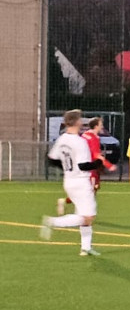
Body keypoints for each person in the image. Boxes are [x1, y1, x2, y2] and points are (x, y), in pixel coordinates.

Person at [41, 109, 106, 255]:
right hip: (81, 182)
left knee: (82, 213)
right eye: (80, 119)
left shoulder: (62, 139)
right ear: (77, 122)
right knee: (88, 217)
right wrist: (98, 163)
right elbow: (83, 166)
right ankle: (52, 222)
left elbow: (51, 159)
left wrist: (66, 168)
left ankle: (86, 248)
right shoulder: (80, 142)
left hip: (69, 181)